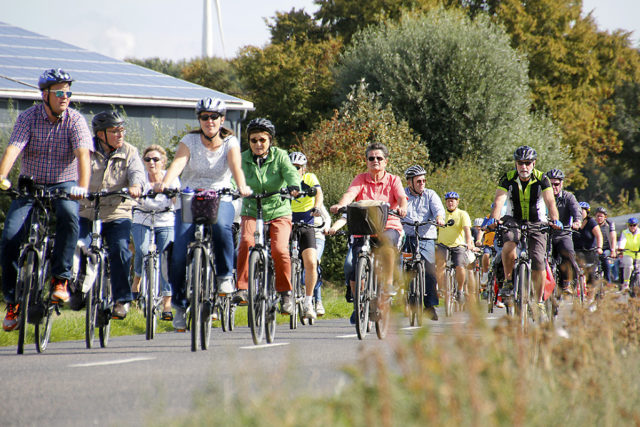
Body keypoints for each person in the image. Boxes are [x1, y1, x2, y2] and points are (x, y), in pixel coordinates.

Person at [0, 68, 92, 331]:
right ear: (45, 95)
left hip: (65, 184)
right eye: (60, 92)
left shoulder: (75, 120)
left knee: (69, 216)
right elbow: (14, 147)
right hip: (31, 184)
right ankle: (13, 301)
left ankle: (60, 280)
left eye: (68, 92)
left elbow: (83, 155)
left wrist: (82, 187)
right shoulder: (28, 117)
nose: (65, 97)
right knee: (10, 237)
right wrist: (2, 175)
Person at [156, 97, 250, 331]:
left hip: (221, 195)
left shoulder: (230, 142)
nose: (209, 121)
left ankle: (224, 277)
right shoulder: (189, 140)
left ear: (222, 119)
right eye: (204, 117)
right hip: (189, 196)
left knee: (221, 228)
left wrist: (242, 186)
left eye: (214, 116)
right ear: (199, 119)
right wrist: (165, 183)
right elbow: (177, 164)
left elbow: (236, 167)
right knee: (178, 253)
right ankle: (178, 305)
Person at [330, 142, 408, 324]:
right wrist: (341, 205)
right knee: (351, 264)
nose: (375, 161)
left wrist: (403, 207)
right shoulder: (360, 179)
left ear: (386, 161)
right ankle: (359, 304)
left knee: (388, 246)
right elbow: (350, 194)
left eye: (379, 158)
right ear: (366, 161)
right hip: (363, 228)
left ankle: (387, 286)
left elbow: (402, 198)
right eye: (371, 158)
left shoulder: (393, 180)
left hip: (389, 225)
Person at [78, 111, 145, 319]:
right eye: (114, 131)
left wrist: (136, 186)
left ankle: (121, 300)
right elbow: (72, 172)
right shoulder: (85, 151)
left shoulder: (129, 151)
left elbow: (138, 174)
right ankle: (77, 289)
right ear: (100, 134)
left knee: (120, 250)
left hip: (118, 211)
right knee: (78, 245)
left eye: (121, 130)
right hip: (87, 210)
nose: (120, 135)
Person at [487, 146, 561, 318]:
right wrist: (493, 219)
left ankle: (539, 301)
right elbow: (499, 201)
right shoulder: (507, 178)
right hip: (513, 219)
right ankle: (507, 281)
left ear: (533, 163)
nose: (524, 167)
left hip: (537, 221)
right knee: (509, 244)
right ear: (516, 164)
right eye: (520, 163)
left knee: (538, 260)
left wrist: (555, 219)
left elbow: (550, 202)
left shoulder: (542, 178)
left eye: (527, 163)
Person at [236, 118, 300, 314]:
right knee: (246, 242)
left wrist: (294, 186)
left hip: (278, 210)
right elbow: (233, 176)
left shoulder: (280, 156)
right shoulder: (242, 157)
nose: (258, 144)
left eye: (262, 140)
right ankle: (242, 288)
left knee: (280, 250)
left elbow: (291, 173)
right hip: (251, 209)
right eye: (253, 140)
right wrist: (233, 188)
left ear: (270, 140)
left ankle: (285, 293)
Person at [131, 145, 178, 320]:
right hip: (142, 218)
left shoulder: (170, 177)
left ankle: (167, 304)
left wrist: (169, 190)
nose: (152, 162)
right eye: (148, 159)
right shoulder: (139, 177)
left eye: (156, 159)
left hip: (165, 220)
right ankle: (137, 280)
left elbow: (177, 199)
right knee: (142, 251)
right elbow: (132, 194)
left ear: (163, 162)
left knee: (166, 259)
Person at [402, 165, 445, 320]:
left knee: (429, 271)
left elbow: (439, 210)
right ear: (409, 183)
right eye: (418, 181)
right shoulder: (402, 195)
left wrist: (439, 218)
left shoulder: (430, 195)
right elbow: (395, 207)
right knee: (402, 264)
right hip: (407, 237)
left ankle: (430, 305)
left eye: (424, 180)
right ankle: (406, 296)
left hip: (426, 238)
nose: (422, 183)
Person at [289, 151, 323, 320]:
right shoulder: (283, 179)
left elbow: (318, 194)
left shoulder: (310, 178)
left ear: (303, 169)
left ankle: (309, 302)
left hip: (306, 224)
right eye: (291, 167)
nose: (294, 170)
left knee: (310, 262)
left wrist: (316, 208)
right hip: (286, 222)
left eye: (298, 168)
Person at [435, 192, 476, 303]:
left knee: (460, 266)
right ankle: (441, 289)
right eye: (448, 201)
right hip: (443, 244)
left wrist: (469, 242)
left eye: (453, 200)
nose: (450, 203)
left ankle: (460, 290)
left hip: (458, 245)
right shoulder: (441, 214)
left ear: (457, 202)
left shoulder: (462, 214)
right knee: (440, 266)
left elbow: (467, 229)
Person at [546, 168, 582, 294]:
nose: (554, 187)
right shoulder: (542, 197)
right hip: (545, 234)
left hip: (563, 234)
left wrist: (577, 221)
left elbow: (576, 210)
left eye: (556, 184)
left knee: (568, 253)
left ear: (561, 184)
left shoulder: (568, 197)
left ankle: (567, 282)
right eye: (550, 184)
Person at [572, 202, 603, 293]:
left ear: (587, 212)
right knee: (571, 271)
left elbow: (599, 236)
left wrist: (599, 247)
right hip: (576, 251)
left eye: (582, 211)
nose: (580, 213)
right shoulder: (573, 222)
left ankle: (590, 297)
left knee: (591, 276)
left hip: (589, 252)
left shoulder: (591, 222)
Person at [313, 204, 331, 316]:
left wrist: (326, 228)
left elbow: (327, 218)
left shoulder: (317, 203)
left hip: (318, 237)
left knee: (314, 263)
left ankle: (318, 301)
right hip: (300, 235)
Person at [594, 207, 617, 286]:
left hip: (606, 248)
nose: (599, 218)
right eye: (597, 216)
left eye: (601, 216)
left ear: (605, 217)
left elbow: (613, 237)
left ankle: (608, 281)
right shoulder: (593, 223)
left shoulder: (609, 223)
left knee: (605, 259)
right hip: (595, 248)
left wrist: (613, 250)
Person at [618, 217, 640, 293]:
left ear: (637, 225)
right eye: (630, 225)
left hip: (638, 254)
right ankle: (626, 283)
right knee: (629, 265)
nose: (632, 227)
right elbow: (622, 241)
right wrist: (621, 248)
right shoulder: (625, 232)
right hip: (628, 253)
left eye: (634, 225)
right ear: (628, 225)